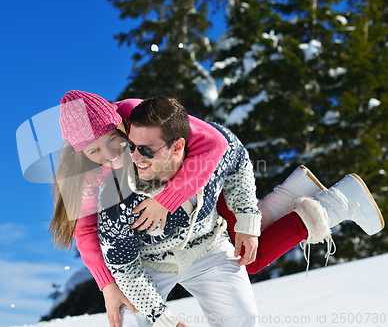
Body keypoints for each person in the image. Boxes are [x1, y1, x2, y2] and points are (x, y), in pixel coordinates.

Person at [52, 91, 384, 327]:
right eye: (95, 152)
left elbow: (217, 145)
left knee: (243, 251)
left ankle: (324, 206)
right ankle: (292, 196)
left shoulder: (143, 118)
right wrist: (108, 285)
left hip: (201, 190)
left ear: (121, 124)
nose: (110, 154)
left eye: (114, 141)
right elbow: (87, 231)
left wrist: (170, 202)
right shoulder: (94, 177)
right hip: (165, 238)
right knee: (247, 253)